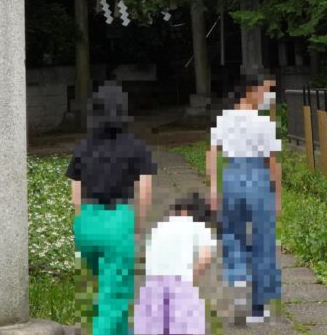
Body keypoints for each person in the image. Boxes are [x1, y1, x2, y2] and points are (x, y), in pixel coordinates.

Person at [66, 80, 156, 335]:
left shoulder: (83, 147)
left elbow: (75, 197)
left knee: (108, 287)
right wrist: (137, 226)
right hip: (117, 223)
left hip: (86, 225)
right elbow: (145, 192)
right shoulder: (137, 148)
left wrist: (83, 223)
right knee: (113, 296)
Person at [206, 75, 282, 325]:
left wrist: (214, 188)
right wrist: (278, 194)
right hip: (257, 178)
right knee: (263, 241)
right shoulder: (263, 122)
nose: (263, 96)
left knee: (232, 232)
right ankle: (258, 309)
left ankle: (238, 274)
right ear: (249, 92)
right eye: (261, 91)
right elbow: (272, 162)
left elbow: (211, 153)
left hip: (232, 176)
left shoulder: (223, 119)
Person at [133, 193, 218, 334]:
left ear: (183, 211)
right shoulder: (200, 228)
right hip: (181, 285)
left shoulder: (159, 227)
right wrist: (192, 276)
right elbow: (205, 257)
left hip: (152, 285)